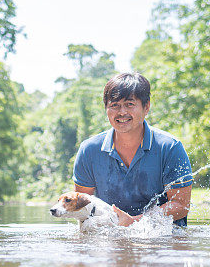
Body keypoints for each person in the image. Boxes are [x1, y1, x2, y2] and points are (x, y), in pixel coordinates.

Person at [72, 72, 193, 227]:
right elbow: (83, 208)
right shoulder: (89, 151)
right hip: (110, 237)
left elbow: (181, 205)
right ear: (106, 109)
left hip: (162, 239)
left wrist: (134, 222)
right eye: (114, 105)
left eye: (130, 104)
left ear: (146, 106)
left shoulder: (170, 147)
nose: (122, 112)